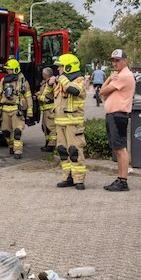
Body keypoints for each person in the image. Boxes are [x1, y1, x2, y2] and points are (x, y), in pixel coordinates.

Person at [99, 48, 136, 192]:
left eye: (117, 60)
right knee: (118, 149)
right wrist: (110, 77)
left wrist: (110, 78)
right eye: (113, 61)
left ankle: (123, 180)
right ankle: (120, 178)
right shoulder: (119, 75)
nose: (115, 63)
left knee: (121, 149)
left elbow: (103, 91)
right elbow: (104, 92)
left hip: (118, 115)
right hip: (114, 115)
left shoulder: (124, 76)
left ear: (125, 61)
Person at [53, 53, 88, 190]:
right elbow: (51, 96)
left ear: (67, 68)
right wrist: (51, 84)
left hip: (73, 124)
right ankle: (67, 177)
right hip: (60, 123)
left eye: (60, 67)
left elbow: (73, 90)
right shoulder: (61, 82)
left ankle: (79, 179)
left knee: (75, 151)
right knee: (62, 151)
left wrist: (62, 79)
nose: (58, 70)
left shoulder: (78, 80)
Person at [0, 58, 33, 159]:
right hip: (5, 109)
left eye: (9, 69)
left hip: (16, 110)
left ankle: (18, 151)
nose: (7, 71)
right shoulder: (4, 80)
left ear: (15, 69)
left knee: (17, 132)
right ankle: (11, 145)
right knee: (6, 132)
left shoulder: (23, 81)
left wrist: (29, 112)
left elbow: (28, 97)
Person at [36, 66, 58, 152]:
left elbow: (46, 97)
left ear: (44, 75)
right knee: (45, 127)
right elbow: (42, 92)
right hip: (46, 110)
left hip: (50, 110)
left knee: (51, 128)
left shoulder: (51, 83)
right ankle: (48, 143)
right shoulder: (45, 83)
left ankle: (51, 145)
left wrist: (38, 97)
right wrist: (37, 94)